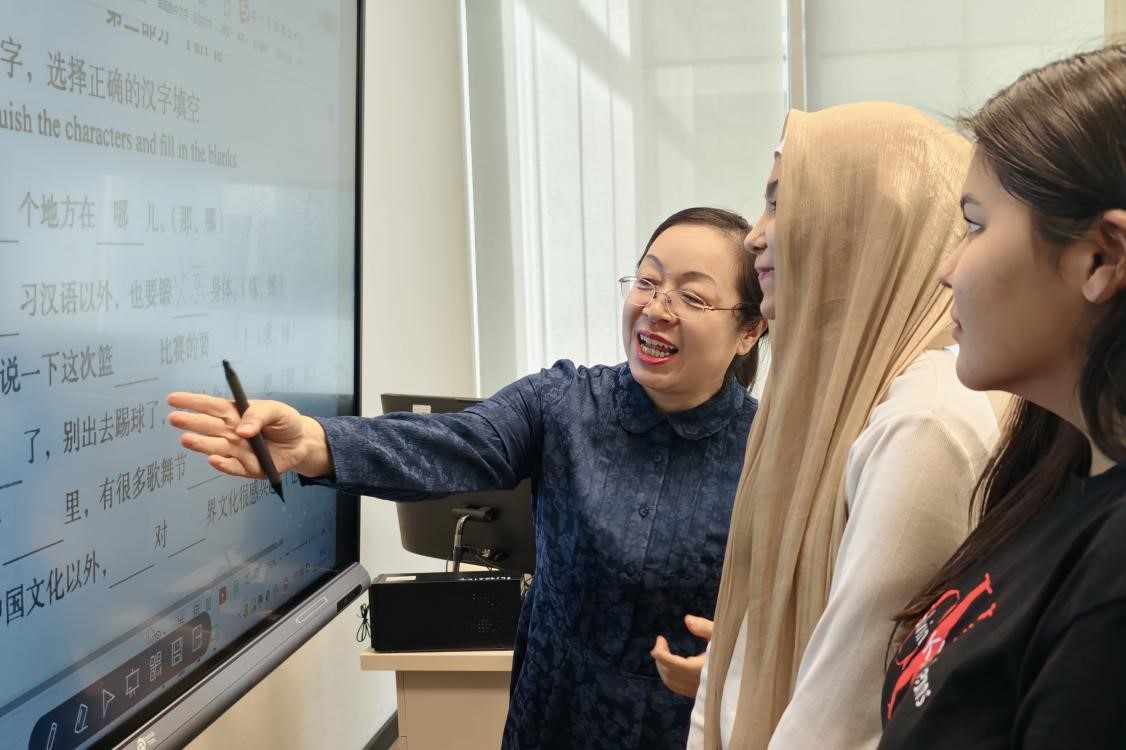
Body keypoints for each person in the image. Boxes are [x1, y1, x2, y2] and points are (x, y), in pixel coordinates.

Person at [167, 207, 767, 749]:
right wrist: (314, 443)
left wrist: (741, 672)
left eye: (692, 297)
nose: (656, 308)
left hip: (687, 730)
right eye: (647, 281)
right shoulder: (563, 404)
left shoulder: (772, 452)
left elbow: (805, 612)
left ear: (749, 329)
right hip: (555, 722)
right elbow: (452, 444)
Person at [678, 103, 1000, 749]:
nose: (755, 236)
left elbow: (842, 717)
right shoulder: (836, 395)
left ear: (862, 224)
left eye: (780, 203)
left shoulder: (924, 421)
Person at [880, 44, 1126, 748]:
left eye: (977, 225)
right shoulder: (1060, 472)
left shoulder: (1112, 584)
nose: (948, 270)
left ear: (1102, 258)